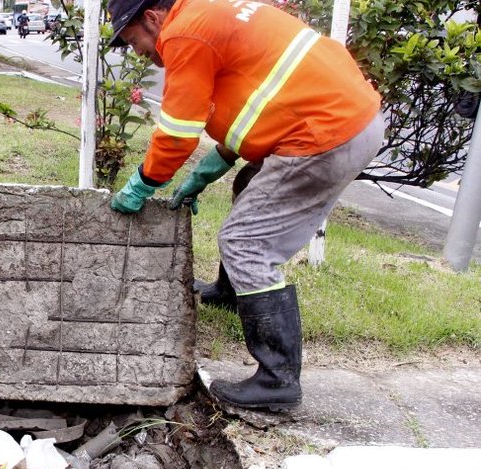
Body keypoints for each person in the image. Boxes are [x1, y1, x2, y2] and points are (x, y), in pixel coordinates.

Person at [107, 0, 385, 412]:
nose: (139, 53)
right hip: (342, 119)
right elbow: (256, 94)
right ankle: (229, 291)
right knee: (250, 183)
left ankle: (277, 379)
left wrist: (143, 183)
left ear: (152, 17)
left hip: (324, 136)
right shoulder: (208, 12)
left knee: (245, 242)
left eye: (134, 40)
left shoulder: (183, 32)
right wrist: (215, 162)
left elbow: (178, 133)